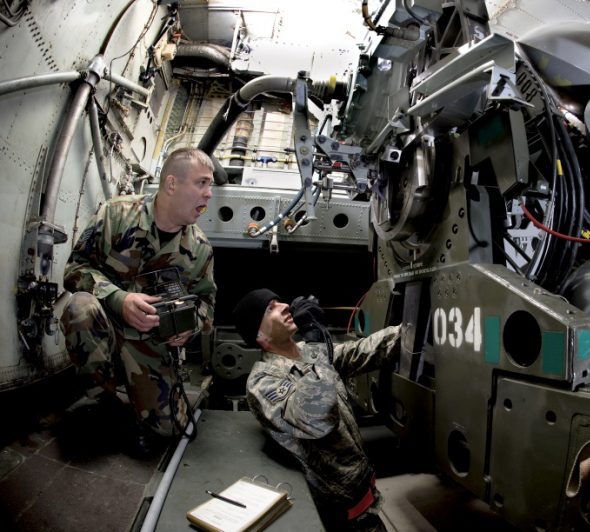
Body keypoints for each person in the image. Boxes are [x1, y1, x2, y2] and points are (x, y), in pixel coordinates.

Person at [60, 147, 216, 453]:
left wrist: (191, 326)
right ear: (172, 185)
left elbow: (206, 304)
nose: (209, 194)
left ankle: (132, 406)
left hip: (150, 344)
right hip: (104, 325)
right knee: (80, 307)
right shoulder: (116, 214)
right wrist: (119, 299)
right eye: (202, 183)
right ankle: (102, 402)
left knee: (169, 429)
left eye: (210, 186)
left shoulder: (200, 249)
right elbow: (75, 269)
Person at [233, 288, 403, 532]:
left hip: (364, 495)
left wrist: (412, 330)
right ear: (259, 335)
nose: (283, 306)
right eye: (270, 308)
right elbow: (317, 418)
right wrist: (316, 341)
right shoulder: (262, 382)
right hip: (338, 514)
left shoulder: (308, 350)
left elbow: (362, 350)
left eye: (279, 301)